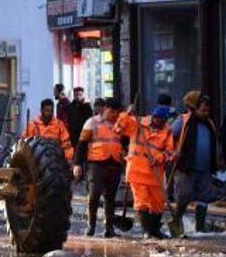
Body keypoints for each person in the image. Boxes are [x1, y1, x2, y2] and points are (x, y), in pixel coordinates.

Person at [115, 104, 175, 239]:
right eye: (158, 119)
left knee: (158, 203)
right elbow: (118, 129)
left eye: (164, 120)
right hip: (136, 170)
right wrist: (126, 114)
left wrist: (159, 158)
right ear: (154, 117)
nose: (161, 122)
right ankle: (146, 231)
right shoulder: (137, 123)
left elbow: (170, 152)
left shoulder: (167, 131)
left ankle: (155, 230)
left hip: (155, 174)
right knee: (142, 201)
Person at [73, 97, 124, 237]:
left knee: (110, 197)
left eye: (117, 112)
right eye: (112, 111)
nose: (114, 115)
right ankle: (91, 226)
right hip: (96, 164)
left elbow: (125, 142)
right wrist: (77, 164)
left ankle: (109, 228)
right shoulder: (92, 122)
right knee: (94, 196)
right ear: (105, 109)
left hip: (114, 163)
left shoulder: (120, 124)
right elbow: (82, 144)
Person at [171, 92, 218, 235]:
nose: (205, 113)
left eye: (207, 111)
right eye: (202, 110)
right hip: (187, 167)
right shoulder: (183, 121)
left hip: (205, 168)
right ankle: (177, 221)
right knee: (184, 195)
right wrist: (173, 152)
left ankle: (200, 226)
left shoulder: (209, 123)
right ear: (193, 108)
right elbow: (168, 136)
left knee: (204, 197)